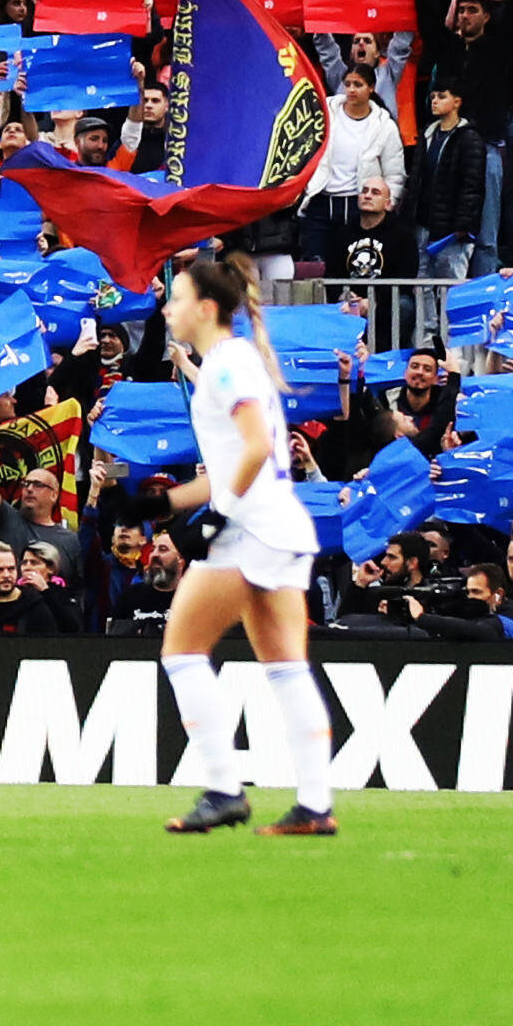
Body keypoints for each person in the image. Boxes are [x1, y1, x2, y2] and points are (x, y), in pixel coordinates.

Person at [149, 244, 334, 838]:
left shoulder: (229, 363)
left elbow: (253, 447)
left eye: (176, 300)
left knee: (181, 652)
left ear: (205, 308)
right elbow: (239, 455)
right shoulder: (231, 362)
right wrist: (167, 502)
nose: (167, 308)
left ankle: (225, 787)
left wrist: (214, 518)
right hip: (280, 525)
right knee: (285, 666)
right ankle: (314, 804)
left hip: (249, 529)